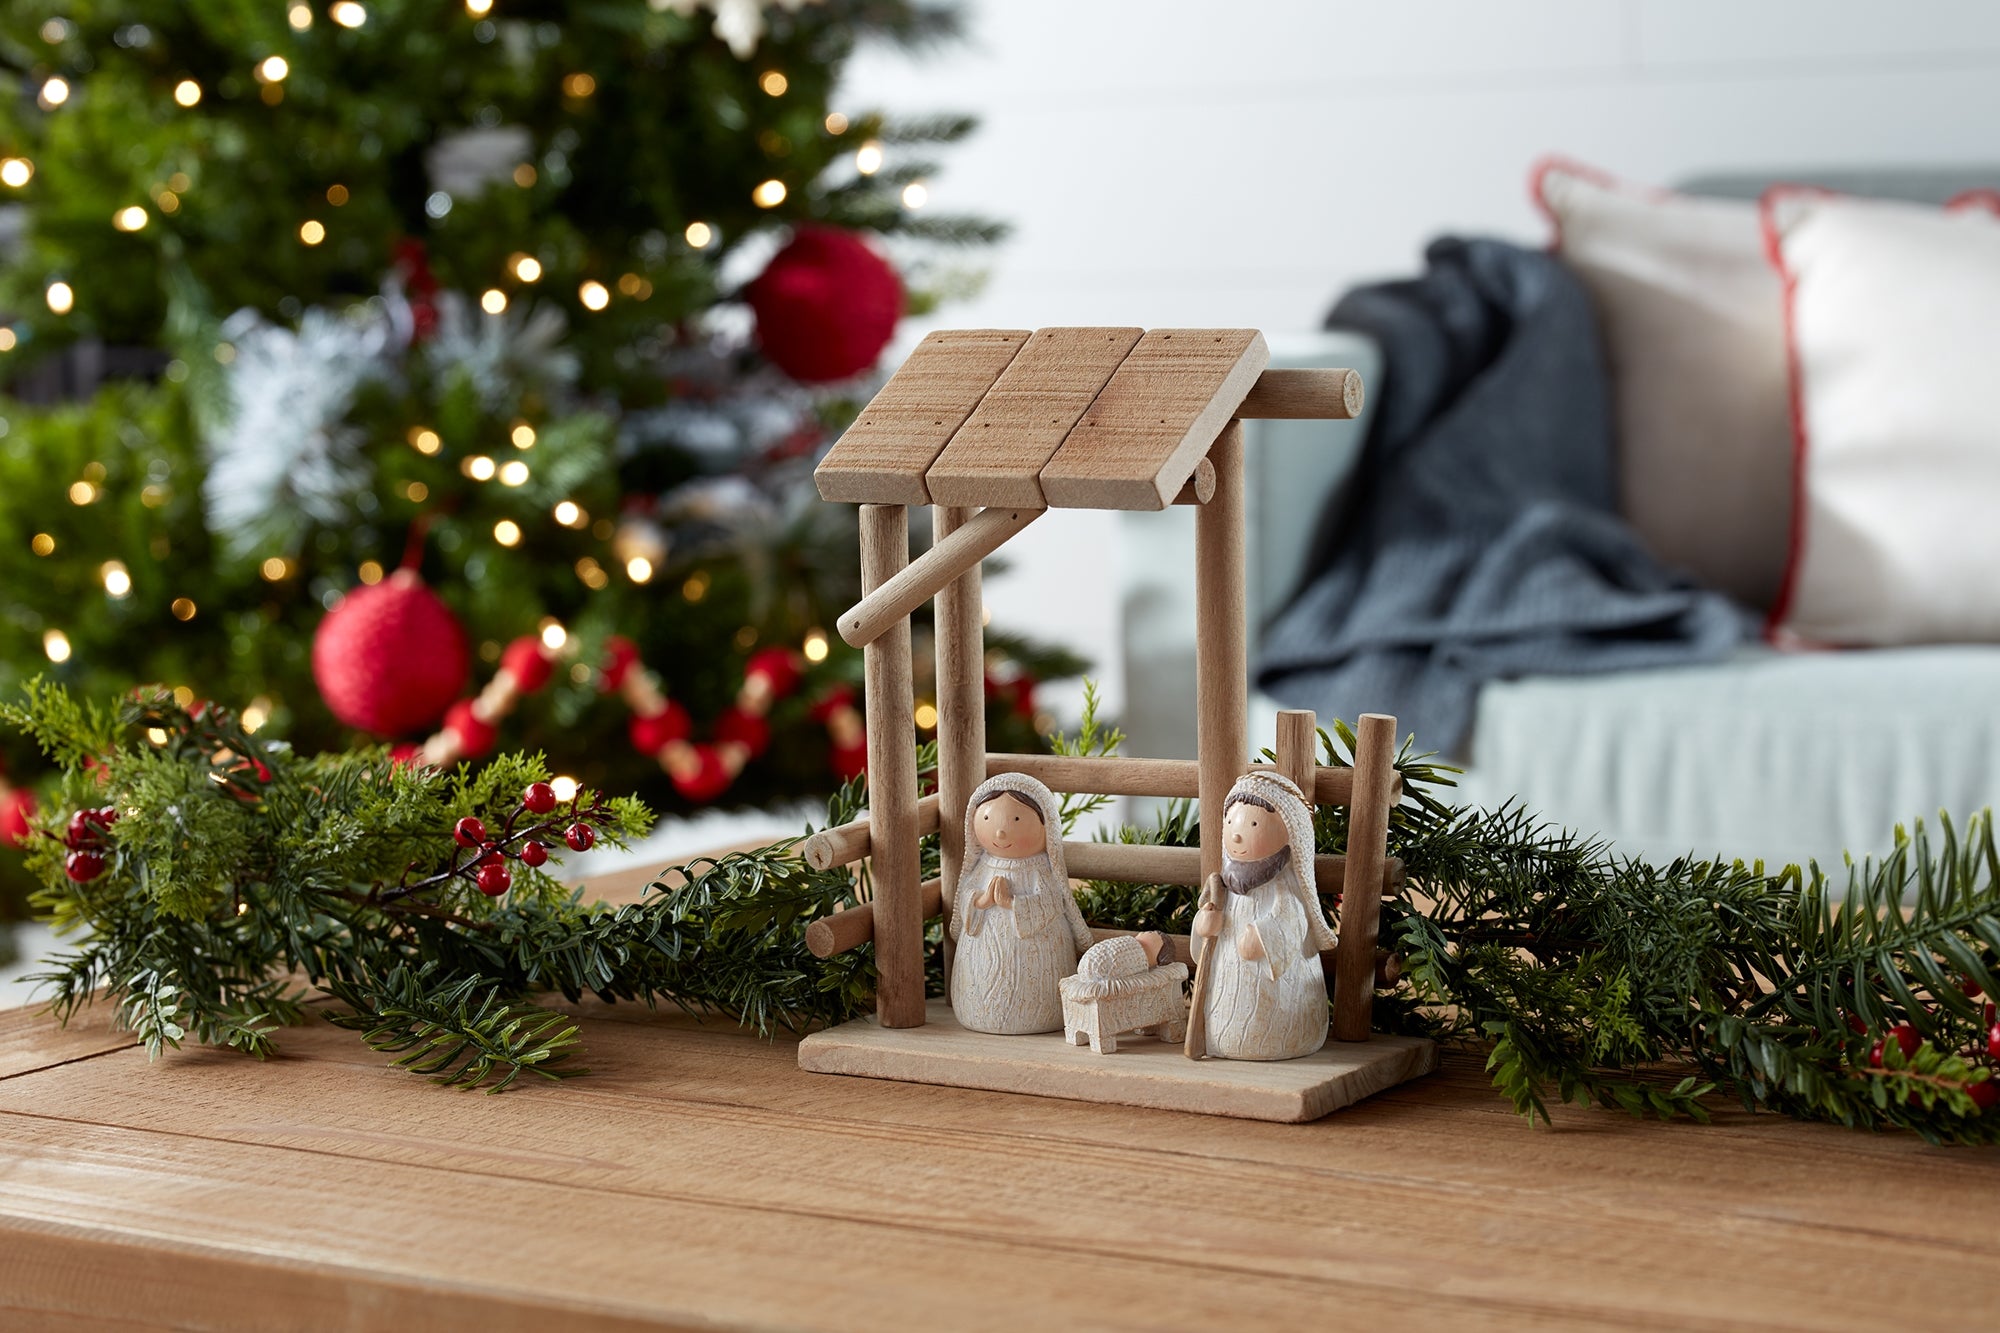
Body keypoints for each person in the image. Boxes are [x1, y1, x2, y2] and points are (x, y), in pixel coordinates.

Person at [1191, 772, 1337, 1060]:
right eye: (1231, 822)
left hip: (1278, 1008)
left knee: (1273, 1020)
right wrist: (1204, 925)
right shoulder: (1223, 887)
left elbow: (1292, 922)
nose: (1236, 834)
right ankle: (1220, 1037)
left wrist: (1264, 937)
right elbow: (1203, 942)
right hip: (1226, 997)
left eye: (1253, 824)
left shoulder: (1285, 888)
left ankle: (1283, 1037)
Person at [948, 773, 1094, 1034]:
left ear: (1046, 825)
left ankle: (1041, 1012)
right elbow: (967, 894)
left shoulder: (1040, 869)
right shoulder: (983, 866)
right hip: (981, 946)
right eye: (987, 819)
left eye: (1016, 819)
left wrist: (1012, 904)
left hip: (1037, 949)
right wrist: (981, 900)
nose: (1000, 831)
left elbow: (1051, 902)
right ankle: (978, 1008)